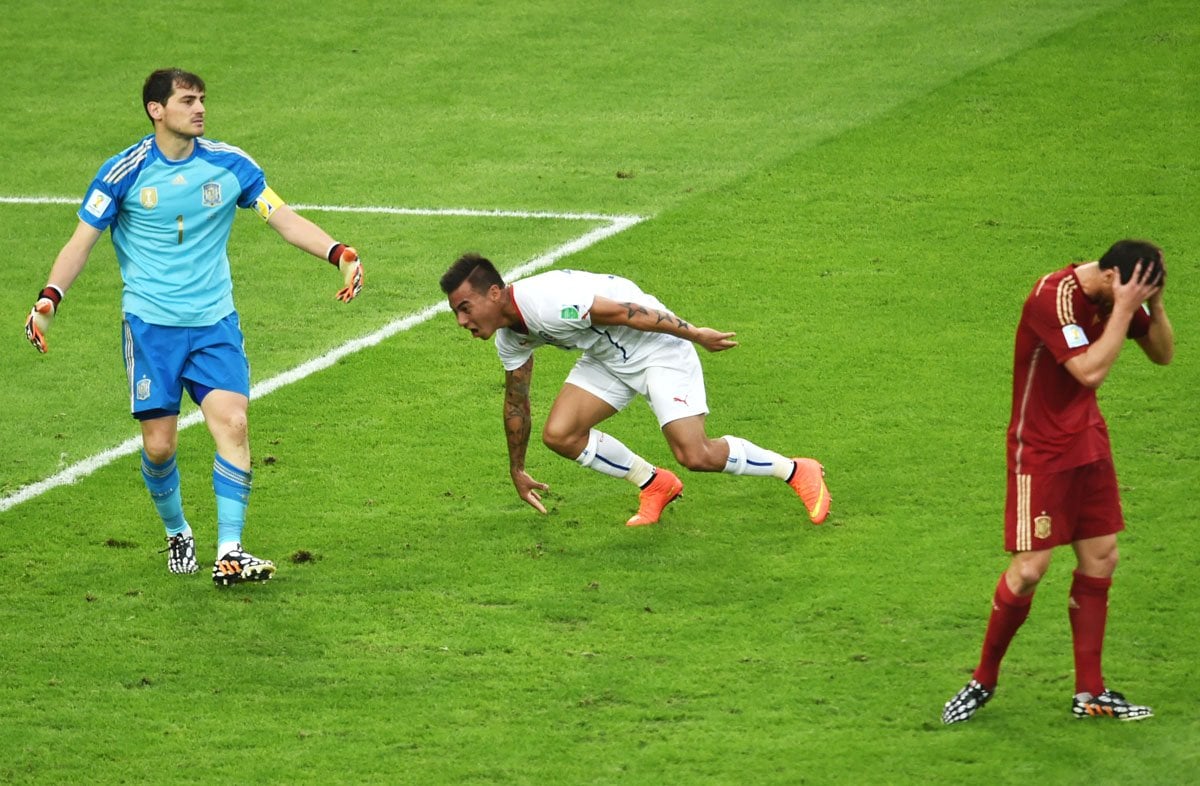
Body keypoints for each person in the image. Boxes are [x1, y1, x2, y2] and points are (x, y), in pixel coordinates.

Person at [23, 68, 365, 587]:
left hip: (214, 324)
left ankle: (231, 550)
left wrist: (338, 252)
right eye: (187, 100)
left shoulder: (230, 165)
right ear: (156, 110)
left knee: (234, 423)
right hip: (151, 328)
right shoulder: (124, 172)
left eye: (202, 99)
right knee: (160, 446)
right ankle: (178, 529)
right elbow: (80, 243)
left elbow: (281, 216)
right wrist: (50, 298)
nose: (200, 108)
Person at [942, 239, 1174, 724]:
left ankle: (1090, 693)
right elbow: (1089, 372)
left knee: (1102, 556)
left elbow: (1163, 355)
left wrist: (1152, 304)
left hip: (1088, 443)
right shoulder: (1053, 297)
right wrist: (1126, 308)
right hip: (1040, 450)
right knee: (1029, 569)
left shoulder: (1115, 296)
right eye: (1132, 289)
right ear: (1112, 277)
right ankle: (982, 680)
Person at [438, 253, 831, 527]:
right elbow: (516, 401)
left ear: (494, 294)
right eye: (456, 311)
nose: (461, 320)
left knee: (695, 454)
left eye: (465, 307)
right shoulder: (510, 338)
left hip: (657, 348)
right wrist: (517, 469)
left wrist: (695, 334)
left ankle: (797, 470)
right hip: (608, 355)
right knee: (560, 435)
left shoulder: (548, 302)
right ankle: (654, 483)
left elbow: (628, 313)